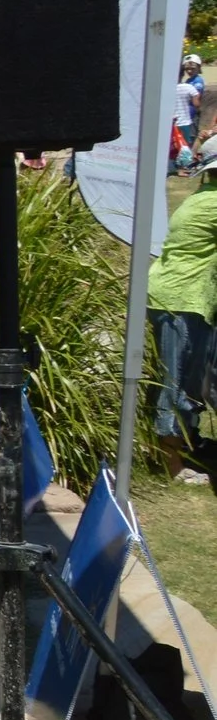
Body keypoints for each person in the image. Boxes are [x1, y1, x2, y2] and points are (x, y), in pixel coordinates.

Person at [148, 158, 217, 484]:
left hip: (183, 297)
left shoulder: (201, 196)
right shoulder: (213, 202)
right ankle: (174, 467)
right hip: (180, 300)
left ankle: (188, 448)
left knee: (188, 383)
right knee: (174, 386)